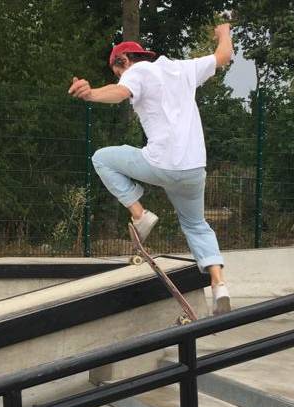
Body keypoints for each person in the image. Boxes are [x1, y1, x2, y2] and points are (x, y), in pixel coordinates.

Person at [68, 23, 234, 313]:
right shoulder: (184, 68)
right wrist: (224, 32)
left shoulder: (137, 72)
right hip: (194, 169)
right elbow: (223, 56)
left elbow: (120, 92)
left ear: (124, 61)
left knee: (102, 159)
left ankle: (140, 214)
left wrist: (92, 94)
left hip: (161, 164)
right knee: (196, 225)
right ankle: (219, 285)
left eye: (117, 70)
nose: (120, 77)